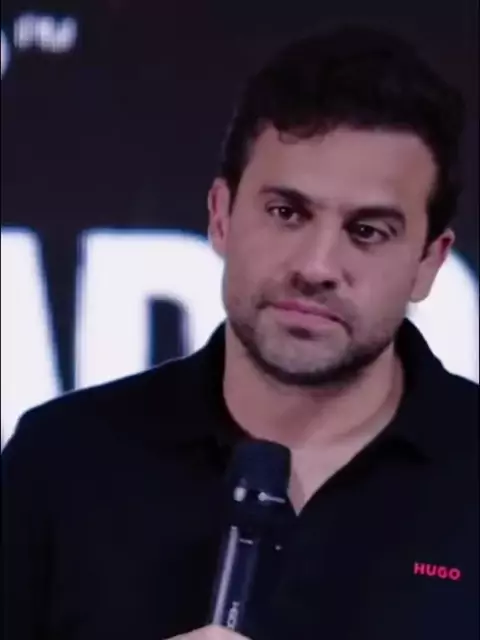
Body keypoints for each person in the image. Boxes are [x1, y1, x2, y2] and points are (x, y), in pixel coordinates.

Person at [3, 25, 478, 640]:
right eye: (286, 213)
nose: (316, 266)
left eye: (367, 231)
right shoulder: (62, 459)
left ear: (429, 263)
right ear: (221, 216)